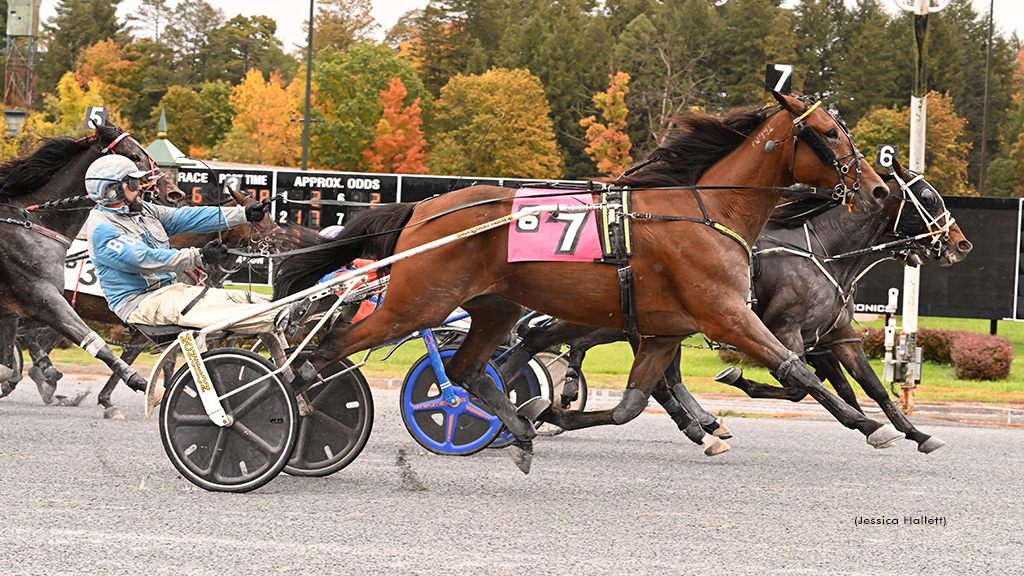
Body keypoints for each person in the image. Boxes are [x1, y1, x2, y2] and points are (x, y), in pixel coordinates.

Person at [83, 155, 283, 334]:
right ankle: (282, 318)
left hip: (170, 292)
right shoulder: (103, 229)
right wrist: (200, 256)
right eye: (133, 183)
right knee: (249, 314)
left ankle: (284, 320)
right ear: (113, 191)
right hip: (142, 302)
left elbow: (185, 216)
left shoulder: (143, 211)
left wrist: (243, 214)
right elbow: (144, 258)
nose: (140, 187)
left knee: (256, 301)